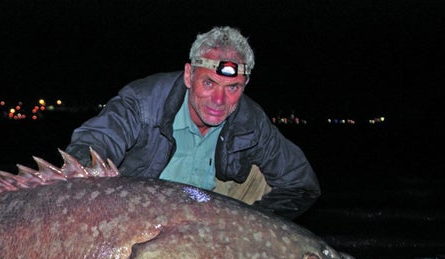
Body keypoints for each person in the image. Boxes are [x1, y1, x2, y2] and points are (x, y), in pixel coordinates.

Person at [65, 26, 320, 219]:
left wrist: (249, 224)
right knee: (90, 175)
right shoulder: (143, 101)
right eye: (209, 83)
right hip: (141, 214)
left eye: (233, 87)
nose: (219, 100)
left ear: (245, 86)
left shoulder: (251, 121)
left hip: (206, 217)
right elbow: (94, 141)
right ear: (189, 75)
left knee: (260, 178)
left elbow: (302, 185)